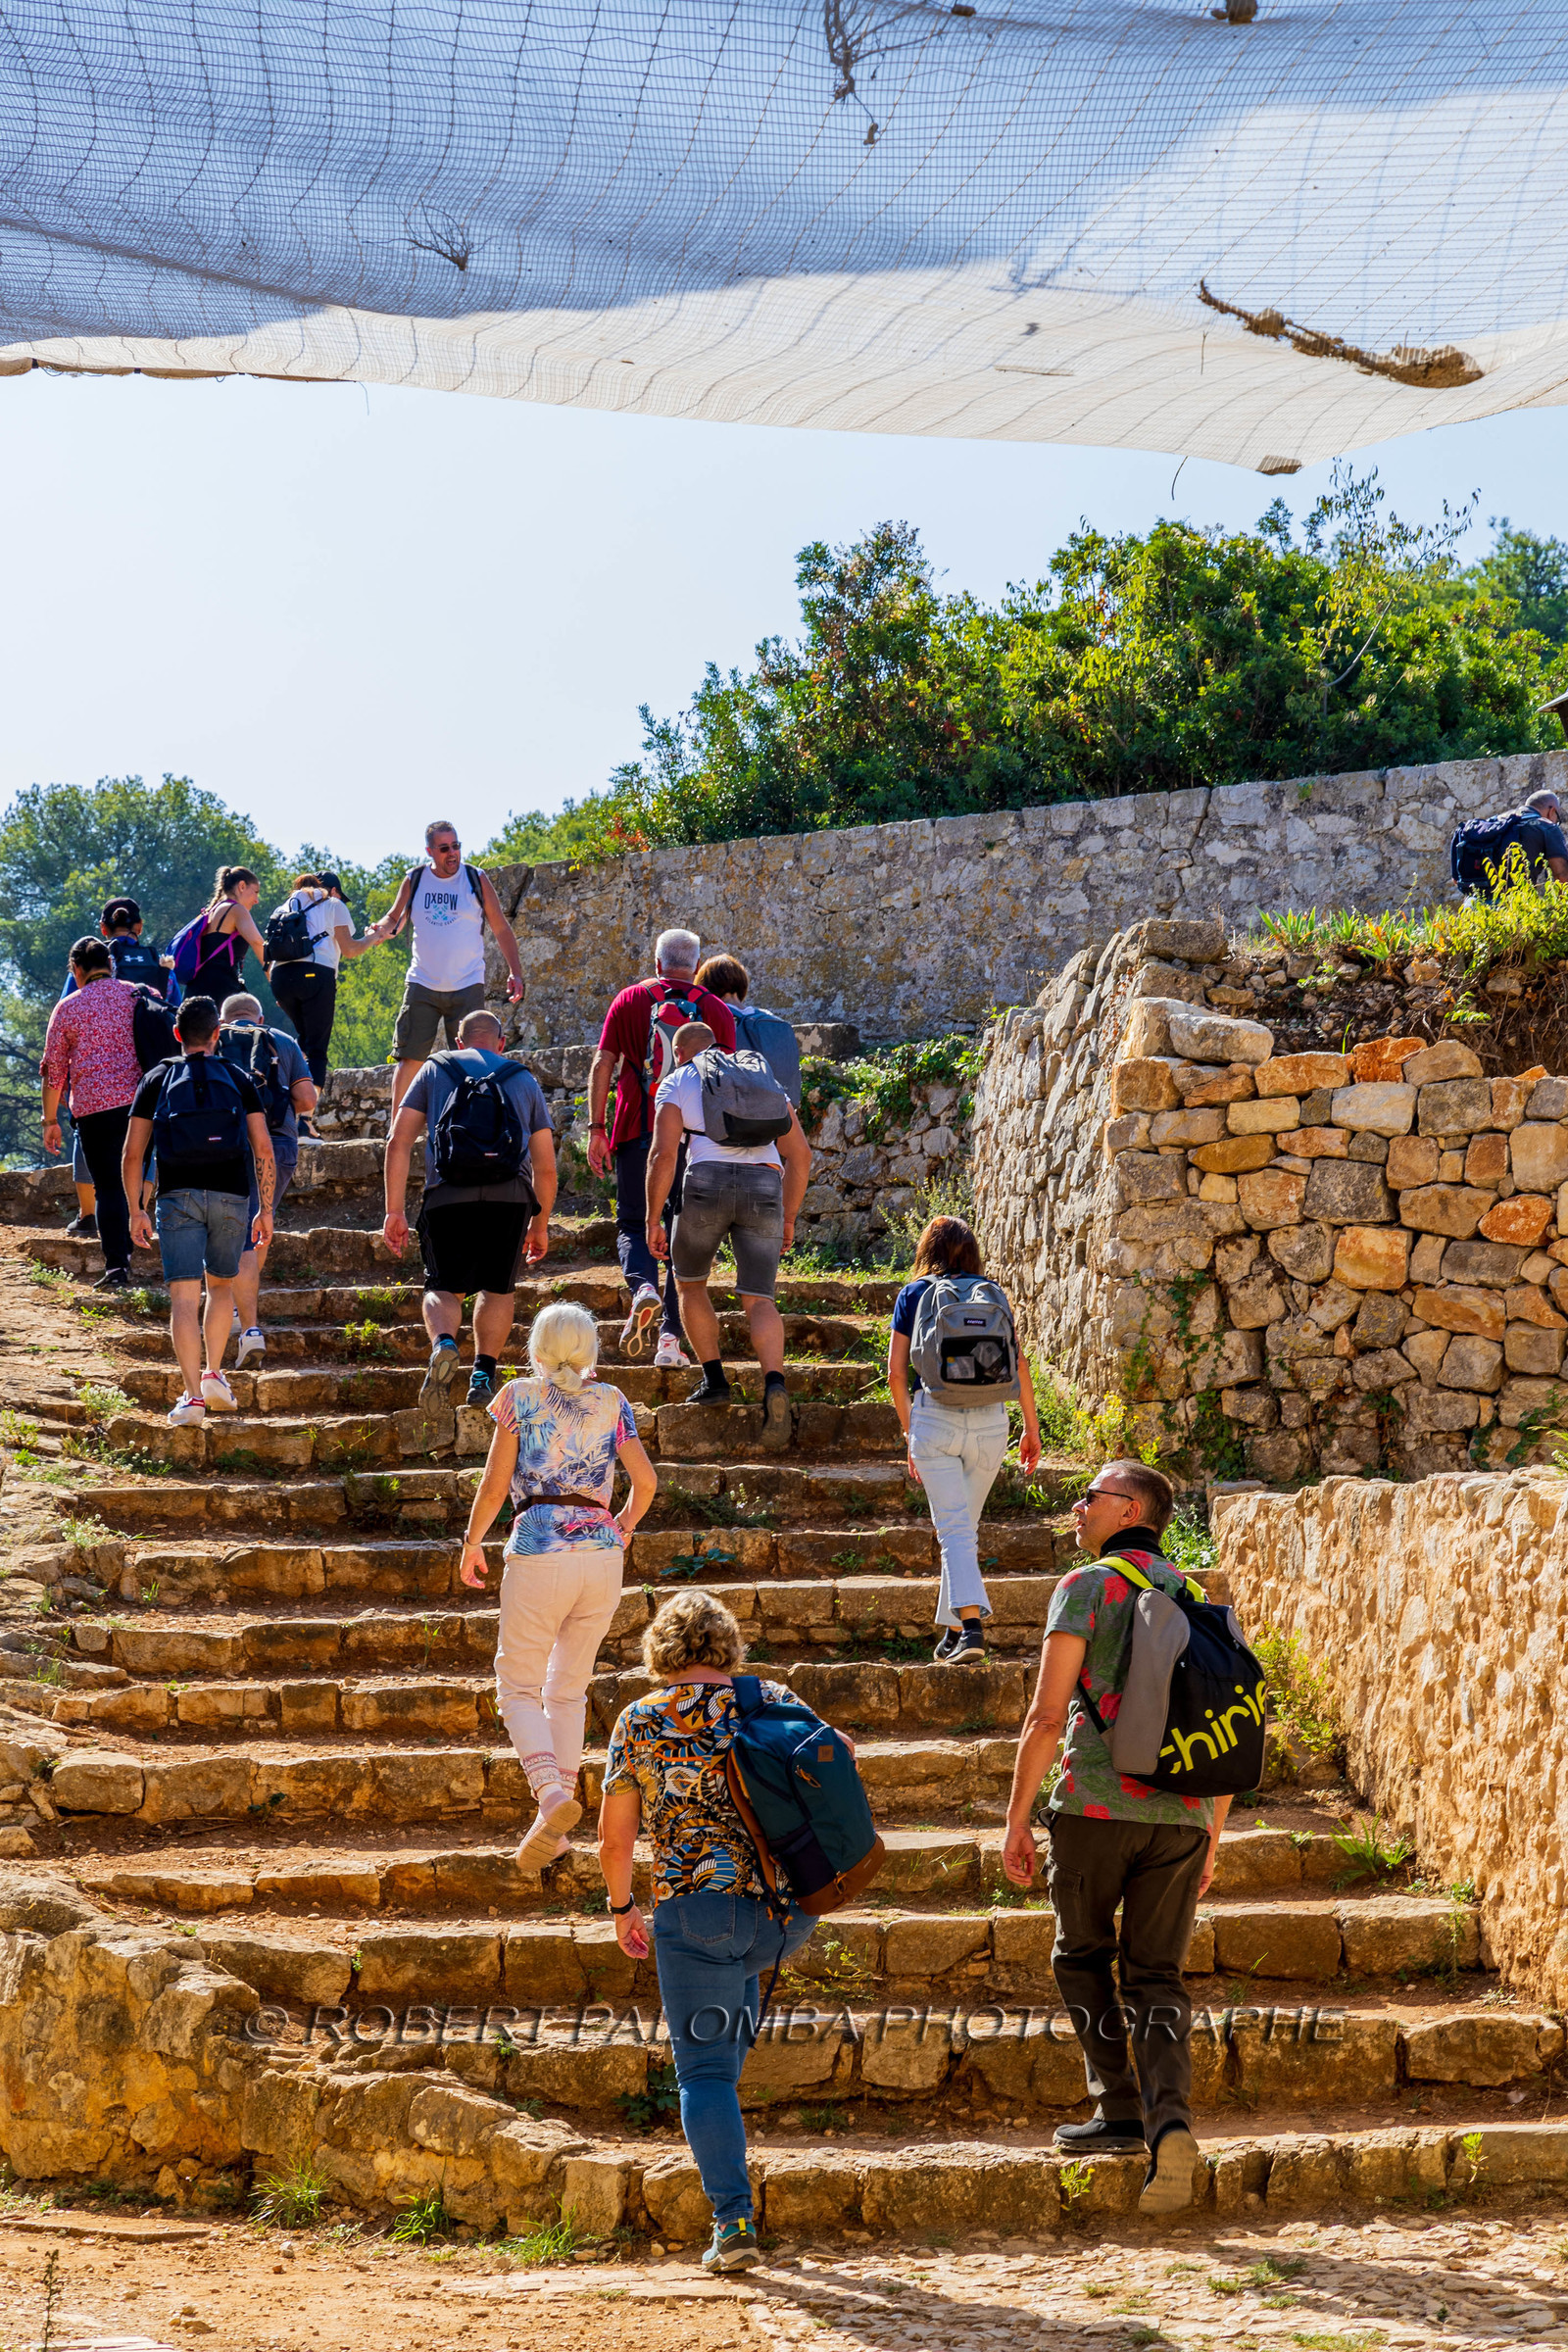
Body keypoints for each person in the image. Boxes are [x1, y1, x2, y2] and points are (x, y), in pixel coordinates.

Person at [1002, 1460, 1229, 2220]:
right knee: (1157, 1976)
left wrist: (1016, 1817)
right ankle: (1170, 2124)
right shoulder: (1200, 1598)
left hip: (1097, 1805)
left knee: (1080, 1954)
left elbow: (1044, 1715)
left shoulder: (1086, 1587)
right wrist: (1212, 1832)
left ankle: (1119, 2107)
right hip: (1183, 1817)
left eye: (1089, 1497)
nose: (1077, 1507)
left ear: (1129, 1508)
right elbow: (1229, 1725)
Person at [600, 1590, 817, 2275]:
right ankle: (728, 2158)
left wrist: (621, 1908)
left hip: (697, 1912)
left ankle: (734, 2222)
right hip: (786, 1915)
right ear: (727, 1644)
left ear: (660, 1649)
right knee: (726, 2038)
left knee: (703, 2074)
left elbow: (614, 1837)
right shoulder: (771, 1697)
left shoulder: (641, 1719)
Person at [460, 1301, 657, 1871]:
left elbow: (496, 1485)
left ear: (537, 1351)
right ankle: (559, 1823)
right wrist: (621, 1528)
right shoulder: (613, 1401)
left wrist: (472, 1542)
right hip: (600, 1556)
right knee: (567, 1690)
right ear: (591, 1349)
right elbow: (645, 1483)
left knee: (517, 1686)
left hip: (539, 1548)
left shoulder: (520, 1397)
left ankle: (551, 1798)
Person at [381, 1008, 558, 1411]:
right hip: (510, 1197)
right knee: (497, 1287)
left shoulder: (435, 1069)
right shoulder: (522, 1077)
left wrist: (394, 1211)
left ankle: (444, 1343)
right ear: (500, 1043)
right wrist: (540, 1222)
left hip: (448, 1195)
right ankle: (483, 1372)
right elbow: (546, 1166)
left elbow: (398, 1140)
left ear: (457, 1043)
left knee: (443, 1286)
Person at [887, 1216, 1044, 1665]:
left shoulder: (914, 1294)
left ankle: (972, 1629)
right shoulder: (991, 1292)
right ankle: (954, 1629)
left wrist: (909, 1429)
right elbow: (1021, 1364)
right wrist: (1030, 1429)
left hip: (935, 1420)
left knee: (955, 1530)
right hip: (993, 1423)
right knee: (962, 1530)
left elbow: (898, 1374)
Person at [644, 1021, 810, 1429]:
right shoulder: (760, 1077)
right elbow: (801, 1156)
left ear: (679, 1052)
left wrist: (653, 1219)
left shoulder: (679, 1079)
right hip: (765, 1185)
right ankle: (774, 1383)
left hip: (706, 1183)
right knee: (760, 1297)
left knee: (690, 1283)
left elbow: (662, 1156)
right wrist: (788, 1216)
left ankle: (715, 1380)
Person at [123, 996, 276, 1425]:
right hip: (231, 1196)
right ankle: (214, 1372)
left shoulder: (158, 1077)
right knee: (221, 1288)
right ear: (217, 1035)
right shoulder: (238, 1076)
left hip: (176, 1196)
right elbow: (263, 1147)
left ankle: (192, 1398)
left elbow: (132, 1154)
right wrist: (265, 1208)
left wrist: (137, 1209)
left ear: (177, 1034)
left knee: (183, 1299)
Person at [587, 930, 737, 1367]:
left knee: (634, 1222)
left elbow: (603, 1063)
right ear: (696, 965)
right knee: (680, 1235)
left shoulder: (629, 1000)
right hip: (693, 1135)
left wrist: (598, 1127)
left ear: (657, 963)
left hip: (638, 1127)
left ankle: (643, 1289)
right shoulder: (714, 1009)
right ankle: (670, 1342)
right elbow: (725, 1079)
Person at [371, 822, 526, 1114]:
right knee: (410, 1058)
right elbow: (394, 918)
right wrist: (379, 929)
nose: (452, 853)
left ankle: (472, 1123)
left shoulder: (475, 878)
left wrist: (515, 972)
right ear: (430, 851)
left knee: (473, 1058)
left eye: (456, 846)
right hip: (422, 984)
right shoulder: (415, 879)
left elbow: (501, 929)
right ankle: (397, 1129)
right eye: (444, 848)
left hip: (467, 984)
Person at [218, 994, 317, 1368]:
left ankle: (232, 1308)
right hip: (278, 1145)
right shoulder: (282, 1040)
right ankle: (245, 1315)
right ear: (259, 1016)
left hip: (228, 1144)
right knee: (259, 1224)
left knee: (234, 1228)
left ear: (224, 1018)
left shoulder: (216, 1038)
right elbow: (306, 1100)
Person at [41, 938, 144, 1290]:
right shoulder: (136, 995)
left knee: (108, 1188)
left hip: (93, 1109)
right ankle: (138, 1243)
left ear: (77, 970)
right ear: (111, 965)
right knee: (136, 1175)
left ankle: (117, 1265)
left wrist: (50, 1120)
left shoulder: (68, 1007)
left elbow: (54, 1070)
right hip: (140, 1105)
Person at [264, 871, 381, 1088]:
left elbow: (269, 957)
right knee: (317, 1049)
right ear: (333, 890)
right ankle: (308, 1116)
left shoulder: (283, 908)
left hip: (280, 979)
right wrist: (373, 937)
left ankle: (282, 1088)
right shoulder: (333, 905)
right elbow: (350, 949)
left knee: (305, 1039)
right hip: (315, 975)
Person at [1451, 790, 1568, 899]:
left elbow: (1456, 880)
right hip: (1514, 907)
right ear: (1552, 811)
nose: (1555, 822)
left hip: (1473, 905)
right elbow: (1562, 877)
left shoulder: (1494, 822)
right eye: (1557, 819)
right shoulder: (1546, 827)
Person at [176, 868, 268, 1005]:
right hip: (220, 992)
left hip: (194, 993)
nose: (256, 900)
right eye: (255, 892)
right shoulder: (236, 909)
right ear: (242, 886)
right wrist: (276, 982)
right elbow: (258, 943)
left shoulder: (212, 911)